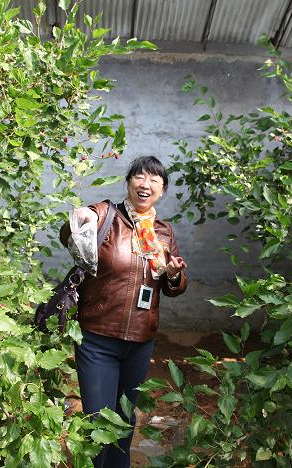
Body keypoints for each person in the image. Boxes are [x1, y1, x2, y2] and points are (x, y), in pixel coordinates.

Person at [60, 156, 188, 467]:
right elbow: (71, 232)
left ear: (162, 190)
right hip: (98, 339)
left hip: (140, 344)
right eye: (139, 177)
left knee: (125, 421)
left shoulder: (164, 232)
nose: (146, 184)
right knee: (98, 422)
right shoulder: (107, 215)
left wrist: (173, 273)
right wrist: (82, 217)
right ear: (129, 182)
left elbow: (174, 287)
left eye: (154, 180)